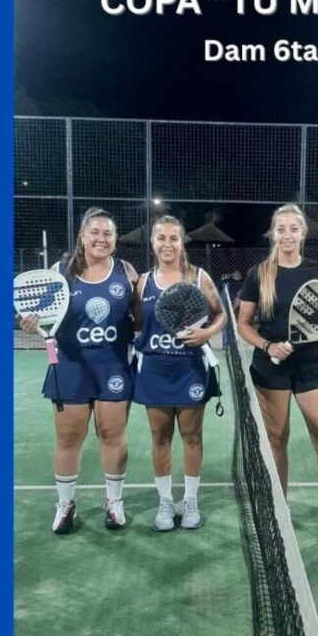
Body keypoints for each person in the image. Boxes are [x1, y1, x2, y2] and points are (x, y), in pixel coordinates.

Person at [237, 203, 318, 553]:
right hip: (269, 367)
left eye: (293, 228)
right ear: (273, 234)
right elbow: (244, 324)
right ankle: (279, 511)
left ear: (302, 234)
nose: (287, 234)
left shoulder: (317, 271)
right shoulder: (258, 274)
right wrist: (267, 345)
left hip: (312, 366)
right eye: (281, 229)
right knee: (276, 440)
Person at [19, 207, 137, 534]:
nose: (101, 238)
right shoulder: (59, 273)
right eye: (94, 232)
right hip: (70, 366)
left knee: (112, 435)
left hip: (114, 367)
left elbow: (141, 317)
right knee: (69, 437)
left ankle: (114, 501)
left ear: (115, 239)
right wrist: (30, 323)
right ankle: (65, 504)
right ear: (82, 236)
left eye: (108, 233)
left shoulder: (126, 272)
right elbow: (38, 316)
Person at [133, 216, 226, 531]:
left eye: (174, 238)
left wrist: (207, 333)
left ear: (182, 242)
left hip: (190, 370)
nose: (167, 244)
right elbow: (136, 321)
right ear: (153, 243)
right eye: (161, 238)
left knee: (192, 436)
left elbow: (221, 314)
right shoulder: (143, 282)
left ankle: (190, 501)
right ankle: (164, 502)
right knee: (160, 437)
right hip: (155, 371)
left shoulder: (199, 277)